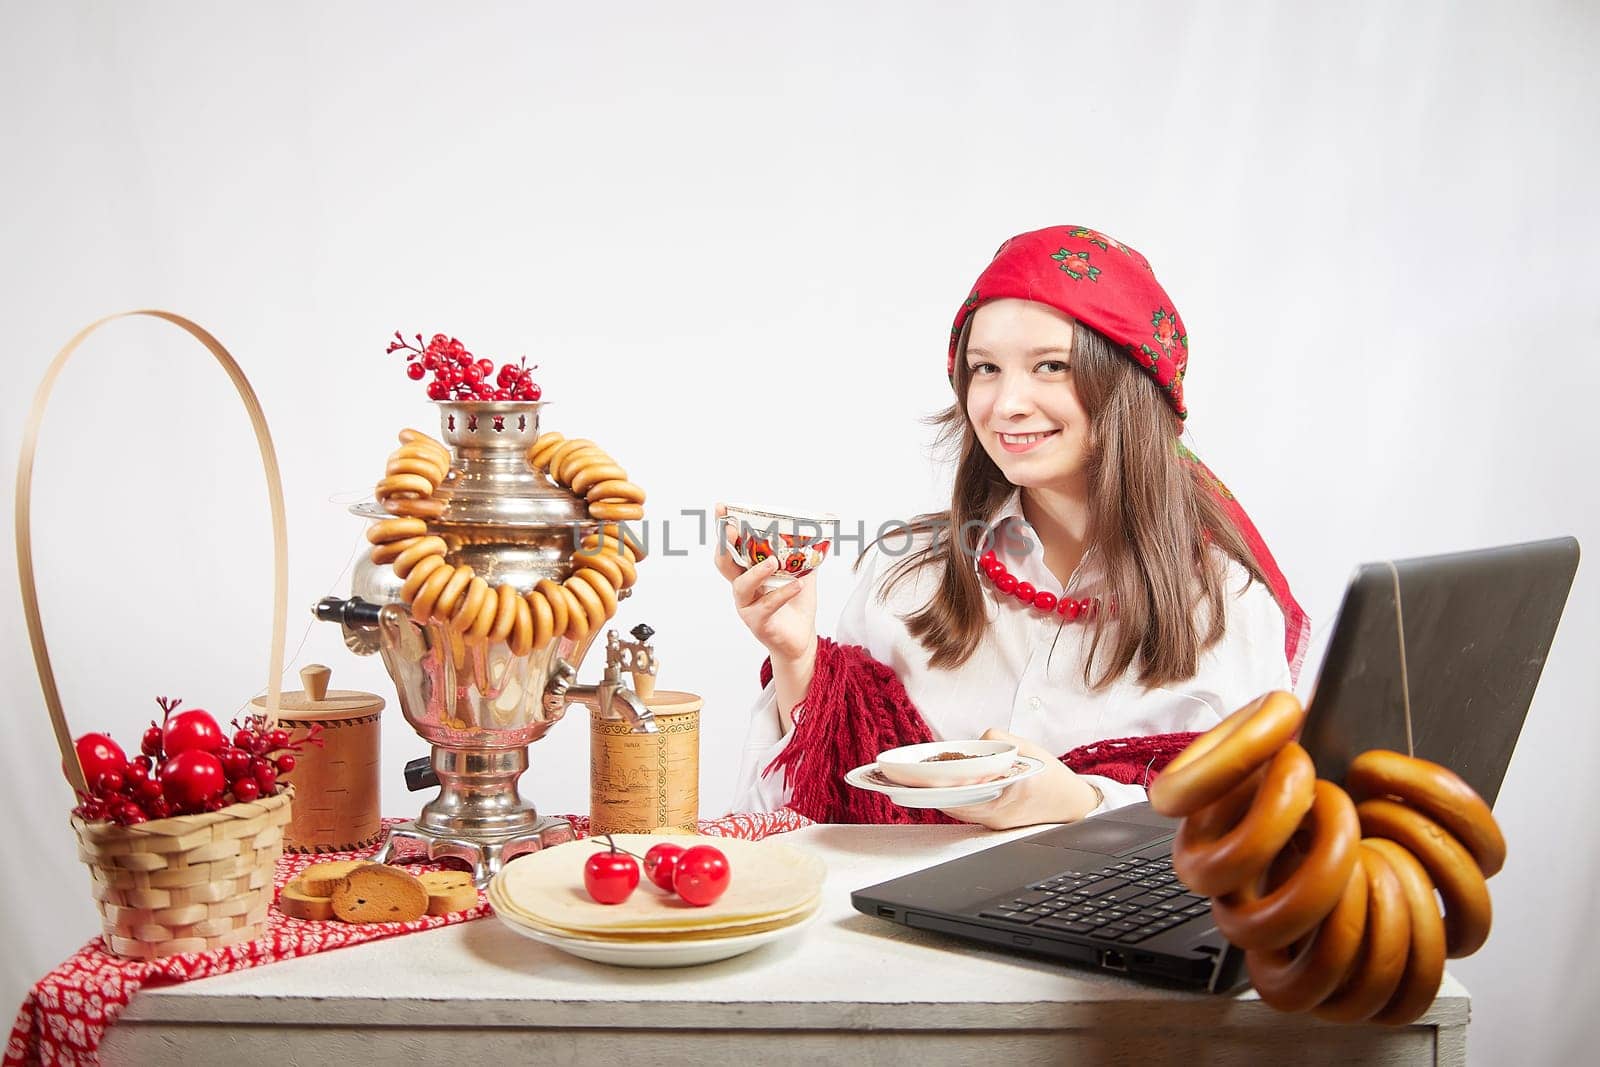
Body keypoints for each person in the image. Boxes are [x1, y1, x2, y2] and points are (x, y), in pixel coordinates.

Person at [715, 225, 1308, 828]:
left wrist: (1084, 804)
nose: (1005, 405)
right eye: (986, 368)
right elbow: (809, 817)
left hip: (1107, 924)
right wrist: (795, 659)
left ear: (1129, 384)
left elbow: (1260, 829)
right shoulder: (904, 570)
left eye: (1051, 366)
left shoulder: (1224, 603)